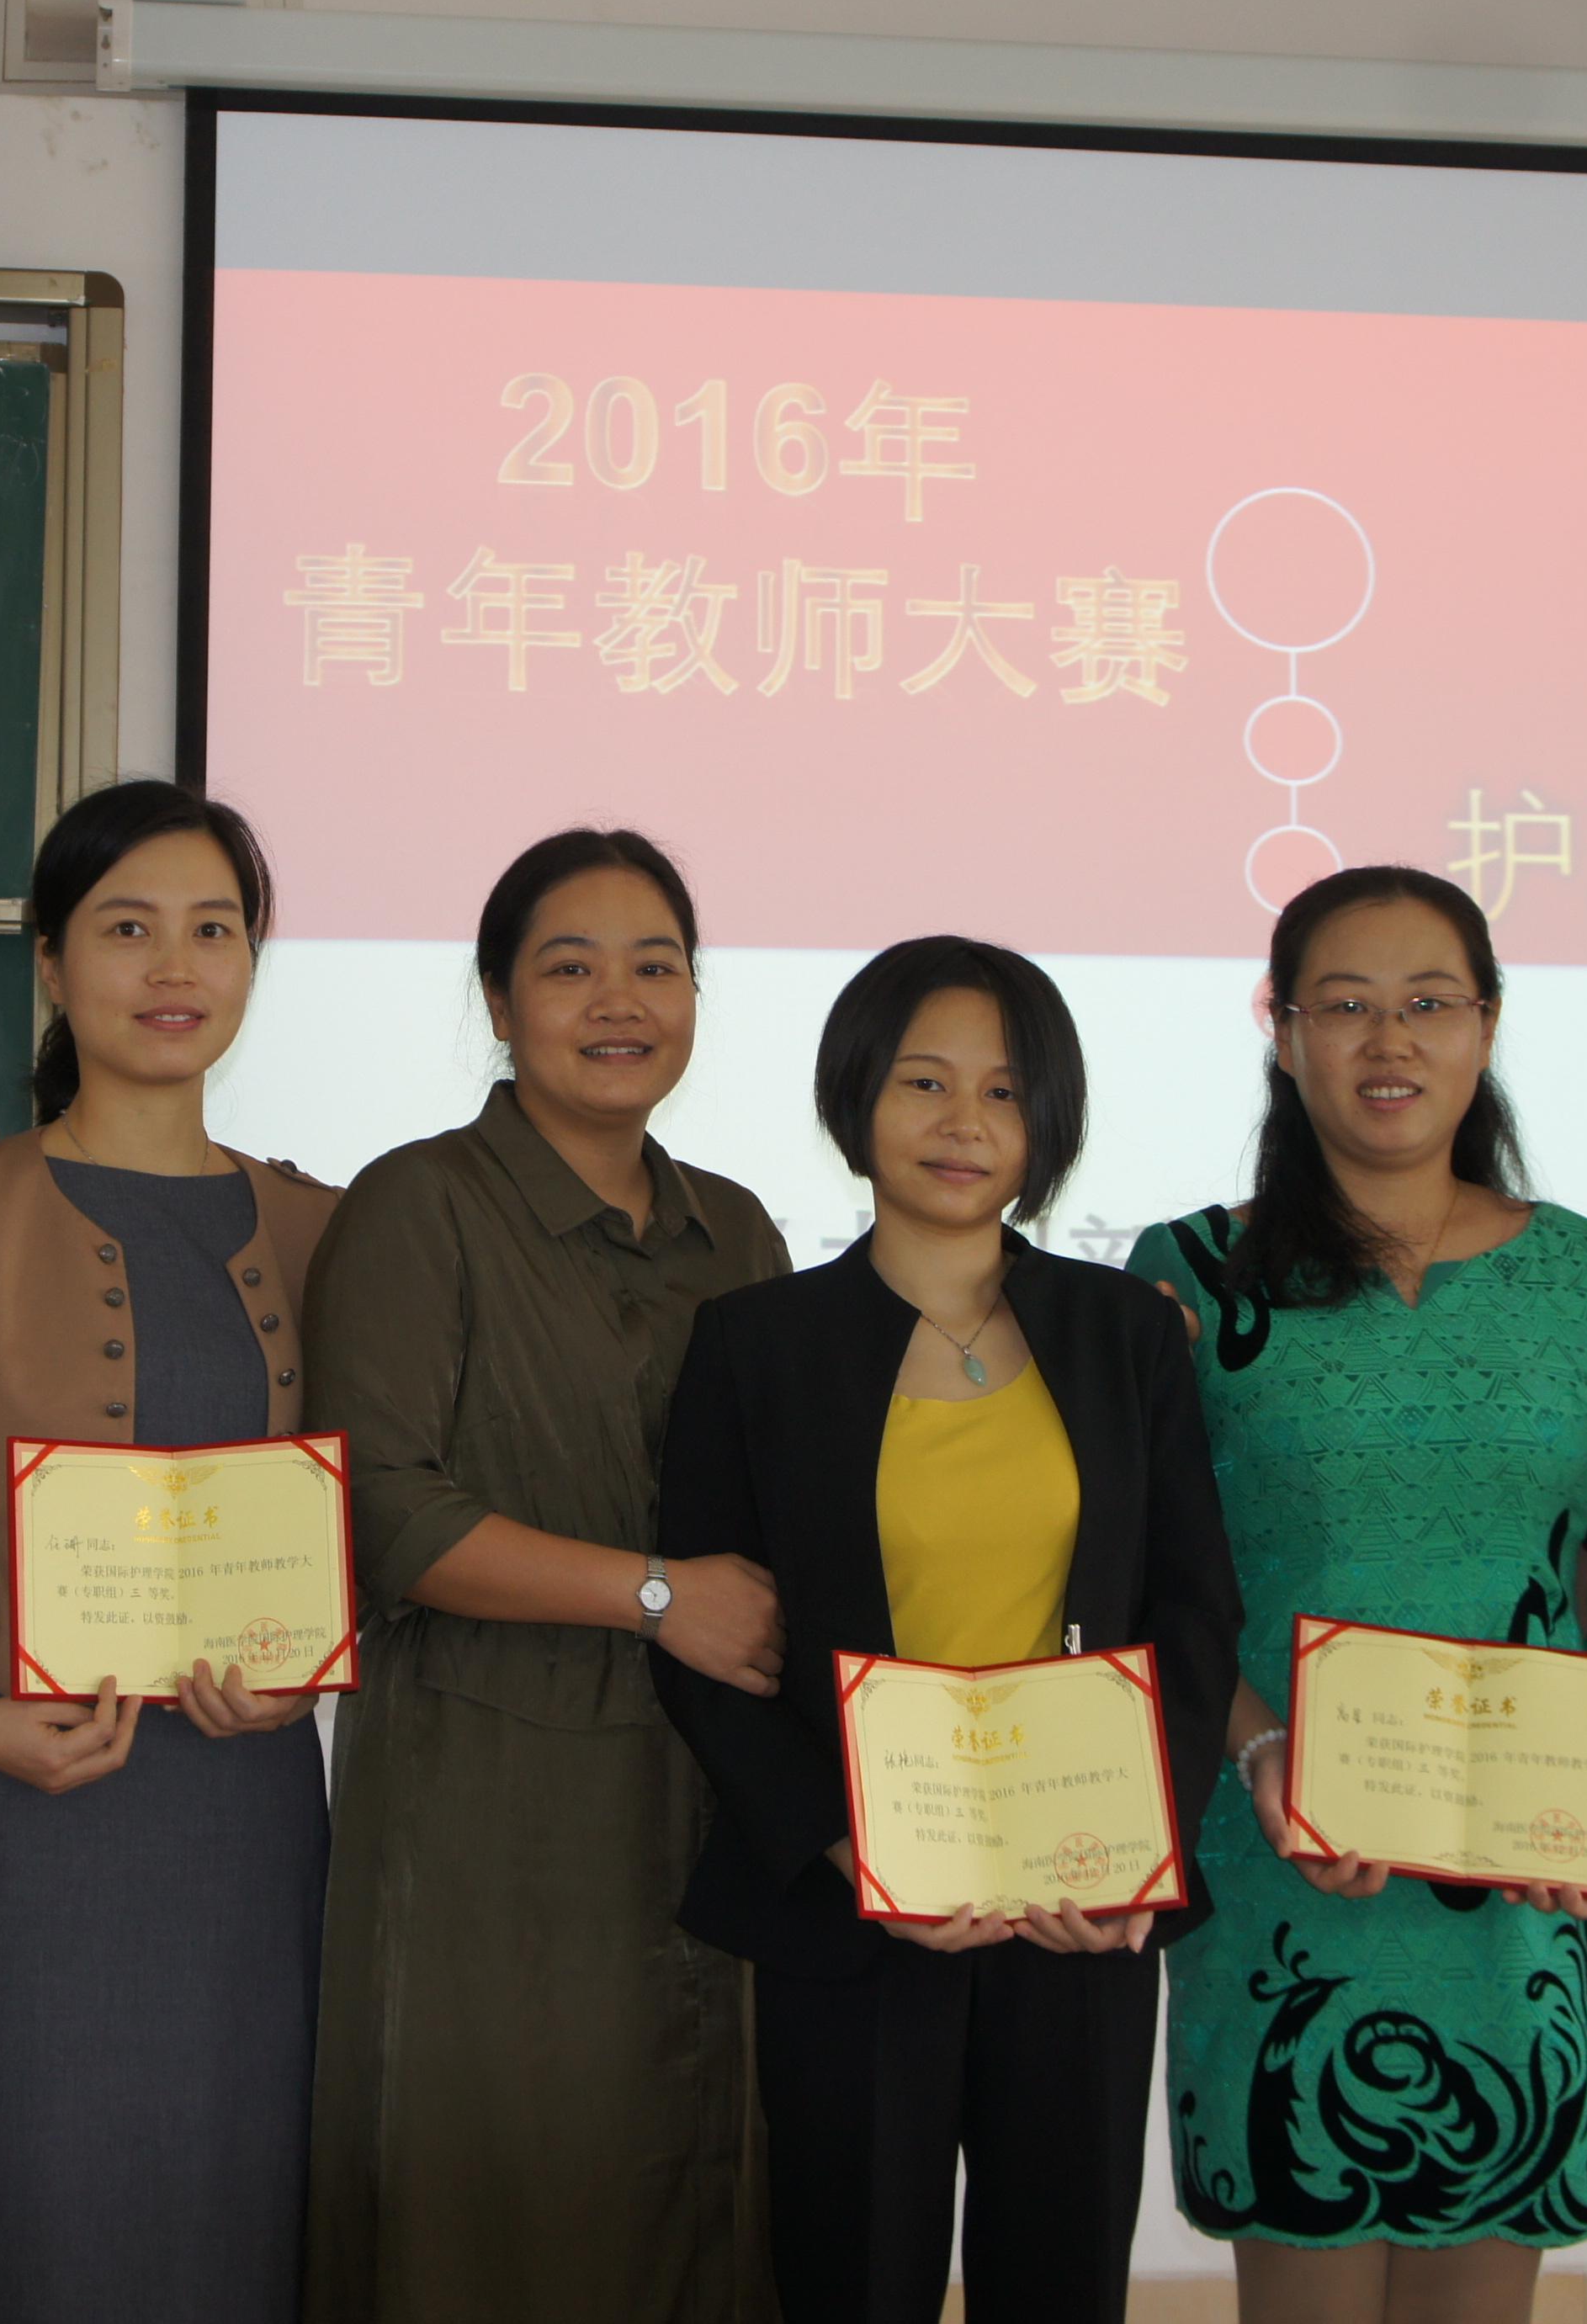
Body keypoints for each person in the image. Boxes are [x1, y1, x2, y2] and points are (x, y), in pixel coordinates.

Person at [1123, 865, 1587, 2324]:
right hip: (1284, 1853)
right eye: (1345, 1006)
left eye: (1429, 1002)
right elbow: (1155, 1575)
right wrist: (1257, 1744)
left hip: (1529, 1880)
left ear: (1487, 1026)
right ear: (1282, 1030)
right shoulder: (1189, 1273)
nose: (1390, 1040)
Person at [658, 936, 1243, 2324]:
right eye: (924, 1082)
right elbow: (711, 1649)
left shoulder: (1126, 1332)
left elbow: (1191, 1607)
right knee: (851, 2280)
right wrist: (838, 1845)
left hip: (1075, 1907)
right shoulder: (756, 1343)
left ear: (1048, 1124)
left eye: (1004, 1090)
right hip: (857, 1908)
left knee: (1062, 2282)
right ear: (857, 1095)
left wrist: (1143, 1848)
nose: (963, 1122)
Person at [300, 827, 791, 2324]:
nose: (618, 1001)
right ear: (500, 1002)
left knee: (699, 2212)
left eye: (657, 966)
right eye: (570, 968)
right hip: (488, 1817)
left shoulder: (738, 1231)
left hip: (707, 1804)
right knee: (500, 2215)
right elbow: (379, 1510)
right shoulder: (419, 1204)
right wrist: (658, 1595)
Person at [0, 778, 338, 2324]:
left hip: (250, 1817)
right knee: (42, 2226)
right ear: (53, 964)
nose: (174, 965)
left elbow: (363, 1521)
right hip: (35, 1806)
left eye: (214, 929)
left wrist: (308, 1674)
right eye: (127, 929)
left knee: (240, 2222)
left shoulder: (324, 1227)